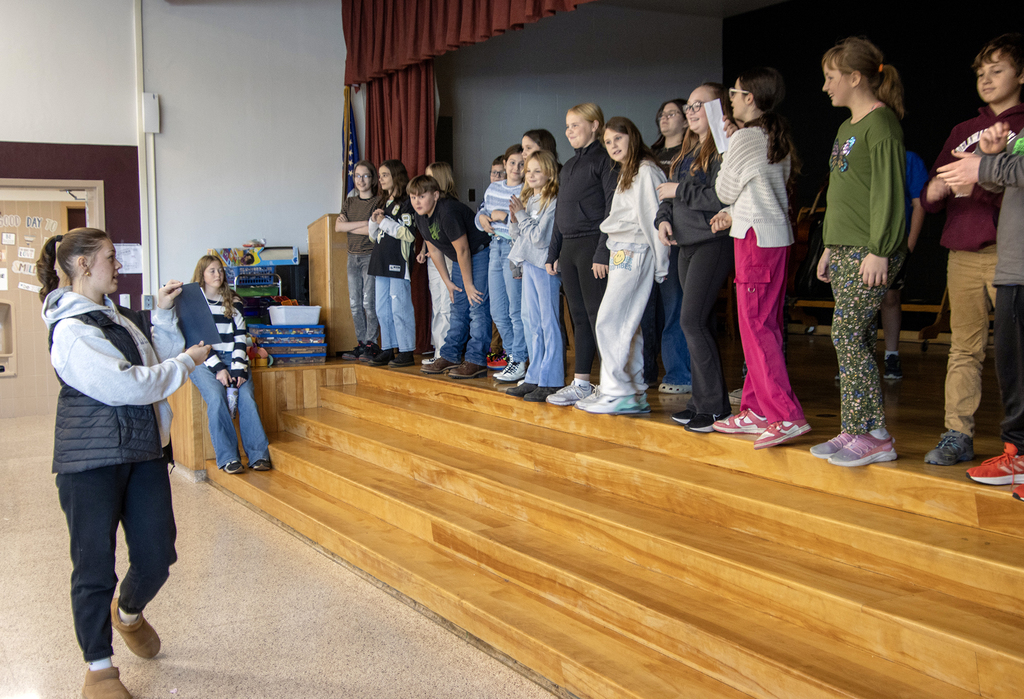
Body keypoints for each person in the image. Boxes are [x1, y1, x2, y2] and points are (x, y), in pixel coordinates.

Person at [37, 227, 211, 699]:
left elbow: (153, 360)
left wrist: (161, 313)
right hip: (90, 463)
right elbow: (133, 385)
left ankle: (128, 613)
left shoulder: (117, 316)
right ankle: (99, 670)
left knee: (158, 555)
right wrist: (188, 364)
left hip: (141, 452)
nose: (119, 265)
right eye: (111, 258)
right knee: (94, 568)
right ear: (83, 266)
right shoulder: (71, 329)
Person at [920, 33, 1024, 466]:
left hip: (1009, 250)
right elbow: (930, 196)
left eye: (997, 70)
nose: (986, 79)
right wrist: (941, 186)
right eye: (981, 73)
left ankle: (1014, 441)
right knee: (964, 346)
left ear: (1021, 75)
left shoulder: (1020, 127)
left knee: (1014, 350)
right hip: (961, 252)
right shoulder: (964, 130)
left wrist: (983, 174)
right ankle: (957, 433)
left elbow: (1010, 189)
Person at [810, 38, 906, 466]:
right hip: (845, 247)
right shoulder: (846, 127)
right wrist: (830, 246)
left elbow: (889, 193)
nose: (826, 86)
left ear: (854, 77)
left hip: (871, 249)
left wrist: (879, 250)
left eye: (831, 77)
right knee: (858, 337)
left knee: (845, 334)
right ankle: (854, 427)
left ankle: (877, 435)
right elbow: (842, 191)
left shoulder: (881, 125)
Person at [710, 67, 810, 446]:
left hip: (756, 241)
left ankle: (786, 415)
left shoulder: (748, 138)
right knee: (762, 327)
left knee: (757, 328)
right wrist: (734, 211)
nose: (731, 99)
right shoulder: (769, 134)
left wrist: (728, 148)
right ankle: (755, 408)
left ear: (749, 98)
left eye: (734, 93)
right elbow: (759, 191)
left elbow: (725, 187)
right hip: (769, 236)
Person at [938, 121, 1024, 498]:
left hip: (1013, 262)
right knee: (1012, 364)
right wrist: (992, 159)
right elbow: (1005, 185)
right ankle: (1017, 454)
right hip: (1013, 264)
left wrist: (983, 166)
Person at [576, 117, 668, 415]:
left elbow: (655, 220)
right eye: (608, 142)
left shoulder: (646, 171)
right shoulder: (628, 172)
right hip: (622, 251)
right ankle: (634, 390)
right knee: (629, 323)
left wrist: (661, 265)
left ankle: (617, 392)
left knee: (609, 319)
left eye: (618, 138)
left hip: (636, 250)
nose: (613, 145)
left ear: (633, 137)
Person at [655, 84, 733, 431]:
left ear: (719, 108)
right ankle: (702, 401)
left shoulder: (723, 149)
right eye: (688, 105)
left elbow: (721, 197)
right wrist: (663, 219)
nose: (691, 110)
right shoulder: (688, 151)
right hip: (686, 244)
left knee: (692, 321)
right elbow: (668, 197)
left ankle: (715, 407)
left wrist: (678, 191)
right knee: (695, 324)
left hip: (711, 242)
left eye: (699, 105)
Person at [545, 103, 618, 407]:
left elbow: (612, 208)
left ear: (595, 125)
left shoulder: (605, 161)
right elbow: (560, 212)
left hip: (592, 246)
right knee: (579, 318)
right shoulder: (569, 166)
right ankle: (582, 383)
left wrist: (602, 251)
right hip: (570, 248)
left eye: (576, 125)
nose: (569, 131)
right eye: (567, 126)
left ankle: (612, 384)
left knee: (598, 316)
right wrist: (553, 251)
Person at [189, 255, 272, 474]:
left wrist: (237, 368)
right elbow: (198, 341)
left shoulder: (233, 301)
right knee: (216, 398)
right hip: (204, 362)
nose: (217, 275)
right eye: (212, 271)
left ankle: (258, 455)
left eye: (220, 270)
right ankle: (228, 458)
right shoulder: (195, 304)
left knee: (247, 399)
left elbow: (240, 337)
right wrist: (219, 369)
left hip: (234, 359)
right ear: (202, 275)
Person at [414, 174, 493, 378]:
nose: (417, 201)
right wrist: (448, 282)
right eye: (413, 197)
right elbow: (434, 249)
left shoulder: (447, 212)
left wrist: (467, 284)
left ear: (436, 195)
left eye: (421, 196)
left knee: (476, 305)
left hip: (479, 252)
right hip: (460, 259)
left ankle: (476, 359)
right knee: (457, 306)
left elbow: (464, 249)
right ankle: (450, 354)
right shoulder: (420, 216)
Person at [506, 150, 563, 402]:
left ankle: (551, 379)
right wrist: (514, 220)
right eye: (528, 170)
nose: (530, 175)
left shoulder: (553, 200)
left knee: (548, 321)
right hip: (529, 265)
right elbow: (520, 238)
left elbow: (540, 238)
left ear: (550, 173)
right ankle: (535, 375)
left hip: (545, 265)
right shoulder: (528, 200)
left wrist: (521, 216)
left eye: (537, 170)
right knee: (532, 323)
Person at [476, 144, 528, 382]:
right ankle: (512, 355)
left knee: (515, 309)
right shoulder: (493, 187)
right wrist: (483, 218)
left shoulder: (527, 189)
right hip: (494, 246)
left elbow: (524, 224)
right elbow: (483, 213)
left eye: (521, 163)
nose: (516, 168)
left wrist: (503, 217)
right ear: (504, 164)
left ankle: (519, 358)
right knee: (497, 310)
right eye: (512, 163)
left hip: (513, 249)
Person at [879, 151, 928, 380]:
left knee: (891, 297)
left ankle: (891, 354)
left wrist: (909, 244)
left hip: (895, 242)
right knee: (859, 303)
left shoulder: (909, 159)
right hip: (859, 242)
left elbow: (920, 203)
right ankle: (855, 360)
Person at [368, 159, 417, 368]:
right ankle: (388, 347)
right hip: (380, 261)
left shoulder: (406, 203)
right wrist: (374, 221)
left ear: (396, 176)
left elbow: (409, 234)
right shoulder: (382, 202)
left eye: (385, 175)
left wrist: (384, 223)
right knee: (382, 308)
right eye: (380, 176)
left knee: (400, 306)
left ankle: (406, 350)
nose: (381, 179)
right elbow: (374, 236)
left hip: (398, 262)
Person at [336, 160, 383, 361]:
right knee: (355, 304)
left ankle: (372, 343)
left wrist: (352, 226)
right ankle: (361, 343)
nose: (361, 180)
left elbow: (374, 230)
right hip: (351, 256)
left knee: (368, 303)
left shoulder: (378, 202)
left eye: (365, 176)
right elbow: (338, 227)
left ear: (372, 179)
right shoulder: (349, 202)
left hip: (370, 256)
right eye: (357, 176)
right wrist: (365, 223)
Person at [418, 162, 458, 363]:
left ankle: (448, 352)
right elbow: (429, 234)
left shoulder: (448, 206)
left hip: (448, 259)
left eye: (430, 177)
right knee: (437, 305)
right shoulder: (427, 207)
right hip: (433, 258)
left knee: (447, 305)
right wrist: (424, 249)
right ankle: (439, 350)